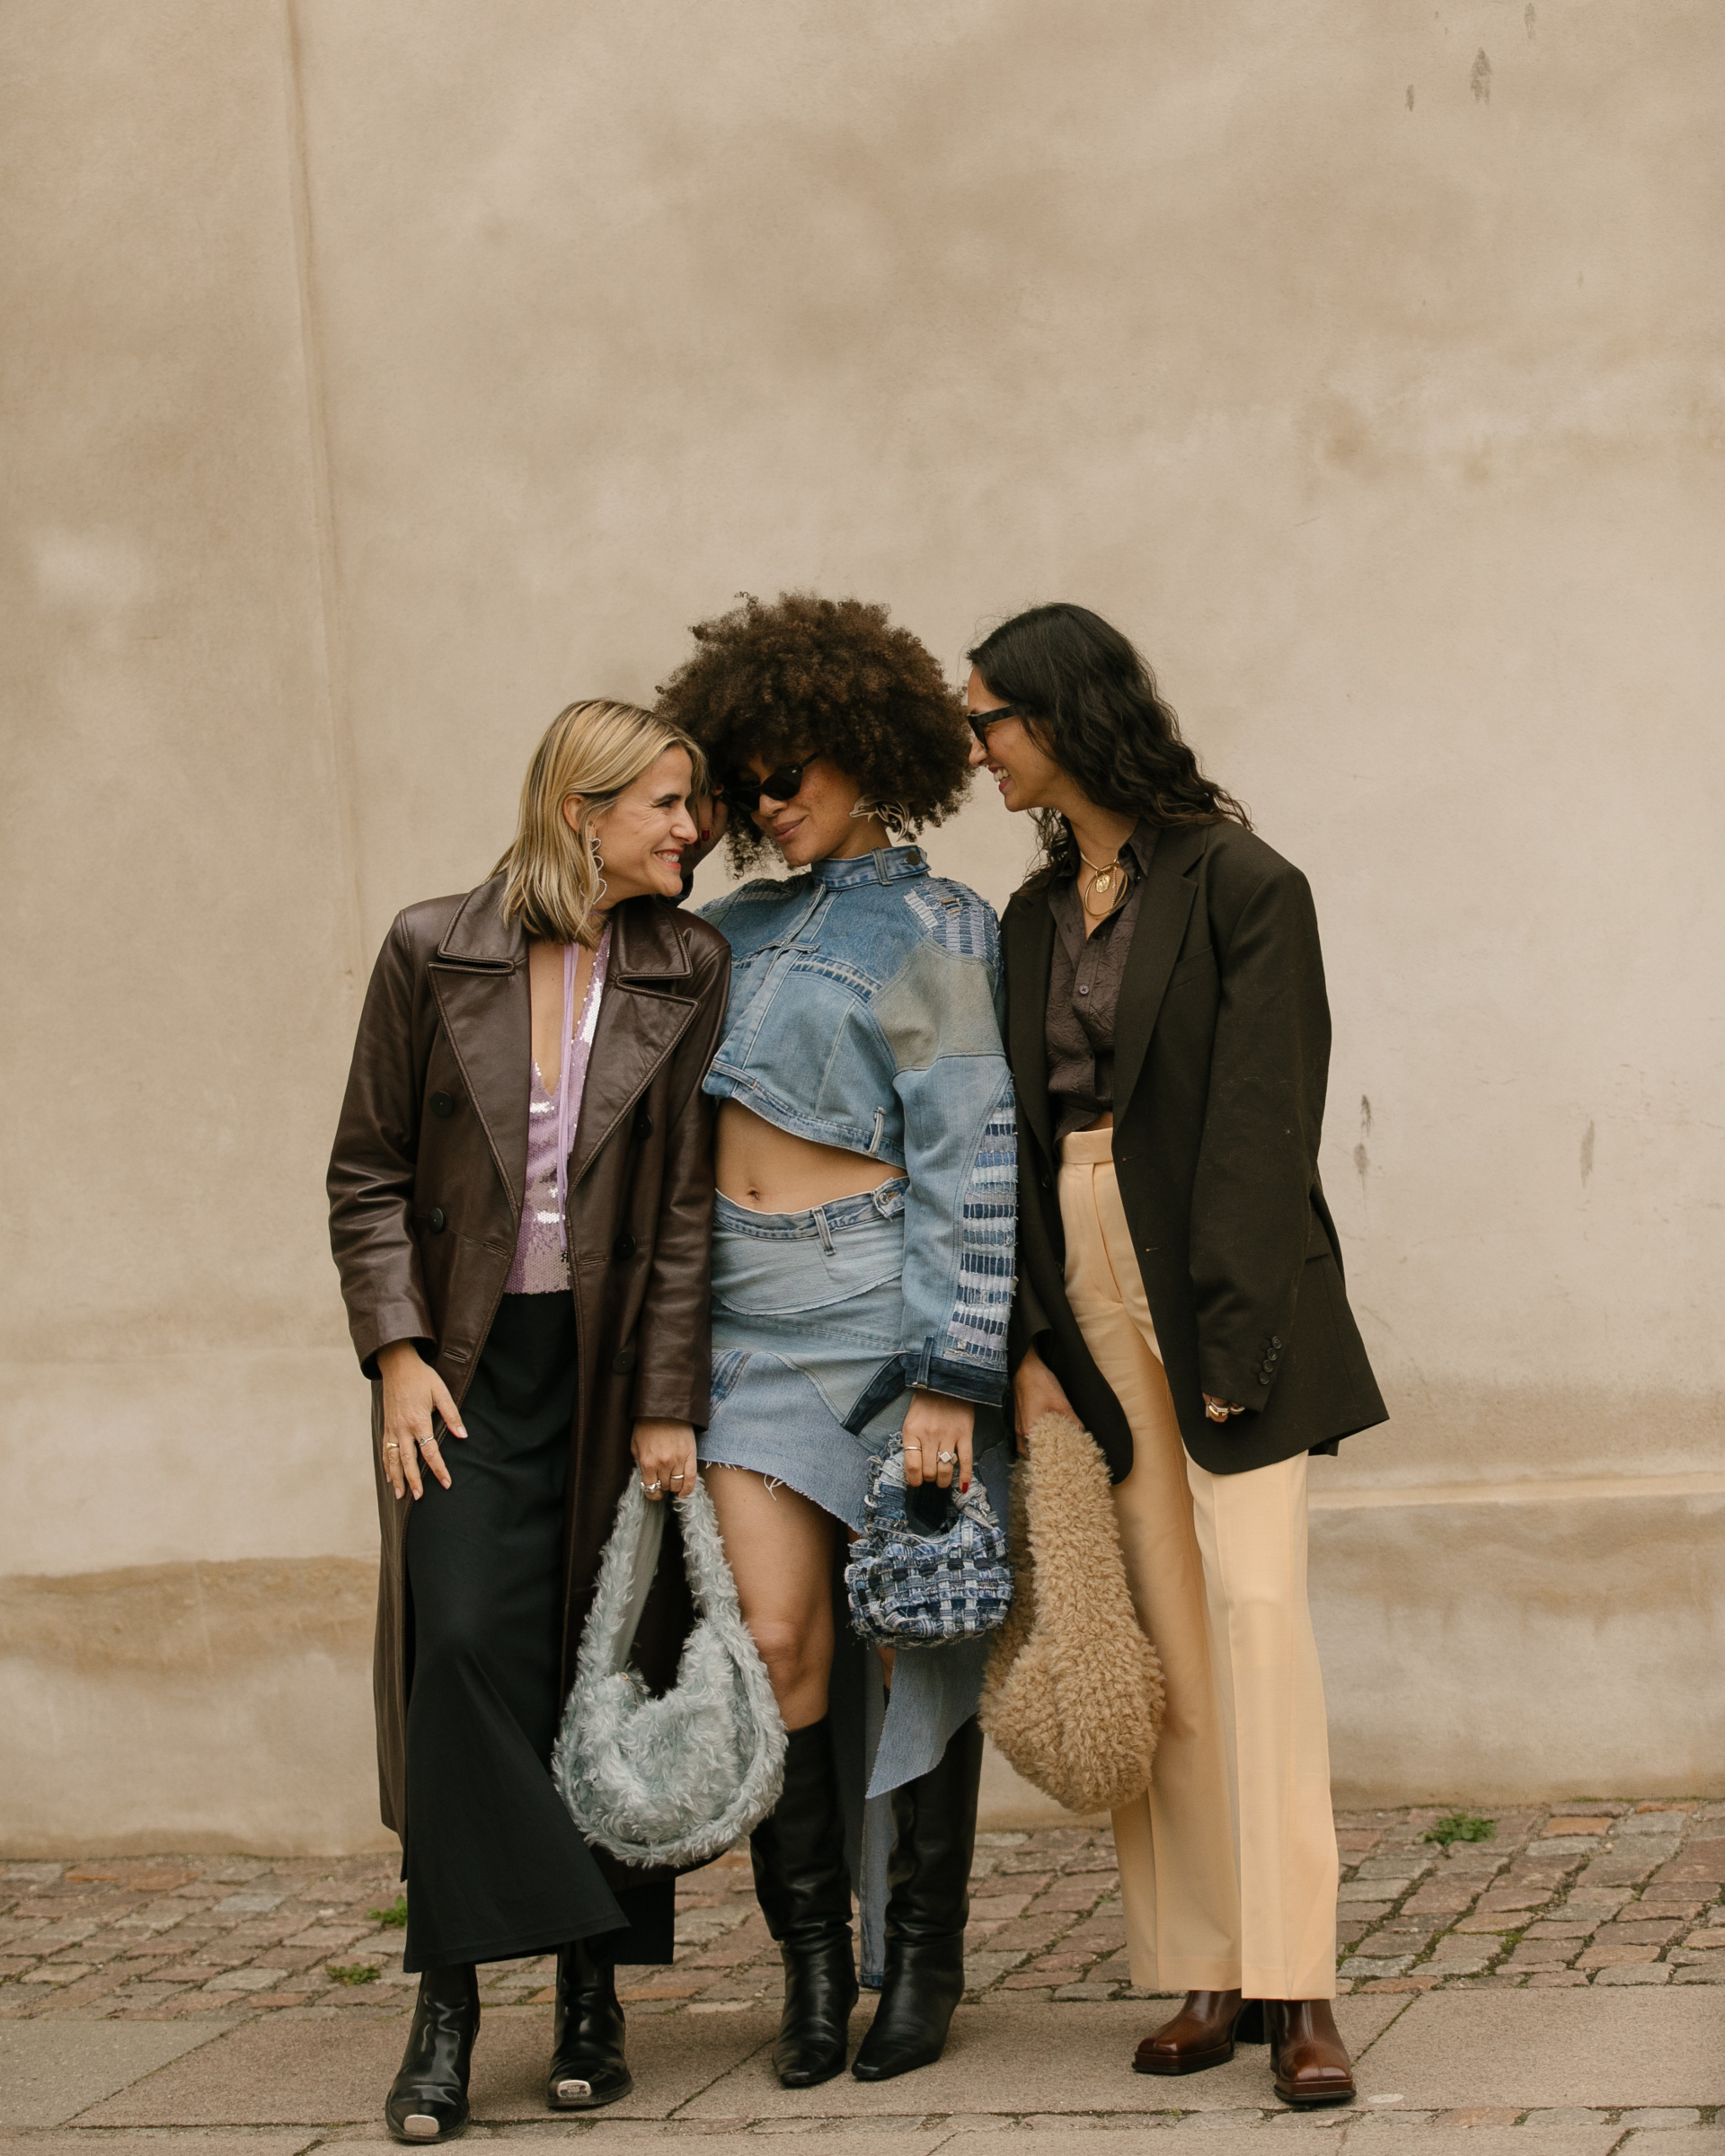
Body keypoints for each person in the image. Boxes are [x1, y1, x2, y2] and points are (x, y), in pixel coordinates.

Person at [968, 604, 1387, 2110]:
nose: (979, 752)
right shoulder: (1026, 920)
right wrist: (1029, 1336)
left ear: (1066, 716)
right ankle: (1211, 1964)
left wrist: (1234, 1321)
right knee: (1166, 1625)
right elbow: (1013, 1141)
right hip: (1076, 1259)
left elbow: (1268, 1119)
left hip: (1215, 1266)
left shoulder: (1243, 884)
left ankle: (1304, 1984)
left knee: (1259, 1613)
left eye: (992, 722)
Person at [327, 699, 730, 2142]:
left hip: (614, 1365)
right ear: (583, 812)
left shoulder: (688, 962)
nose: (694, 827)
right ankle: (445, 2009)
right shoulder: (431, 947)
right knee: (460, 1659)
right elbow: (368, 1174)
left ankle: (588, 1998)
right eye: (668, 803)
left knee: (590, 1665)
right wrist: (396, 1350)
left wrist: (669, 1400)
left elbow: (686, 1210)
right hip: (466, 1369)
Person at [655, 592, 1017, 2087]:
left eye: (793, 770)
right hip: (745, 1338)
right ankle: (816, 1969)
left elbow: (973, 1157)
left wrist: (951, 1371)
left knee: (918, 1630)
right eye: (750, 778)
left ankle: (921, 1964)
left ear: (873, 754)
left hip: (884, 1323)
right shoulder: (706, 933)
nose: (767, 801)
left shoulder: (939, 928)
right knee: (781, 1641)